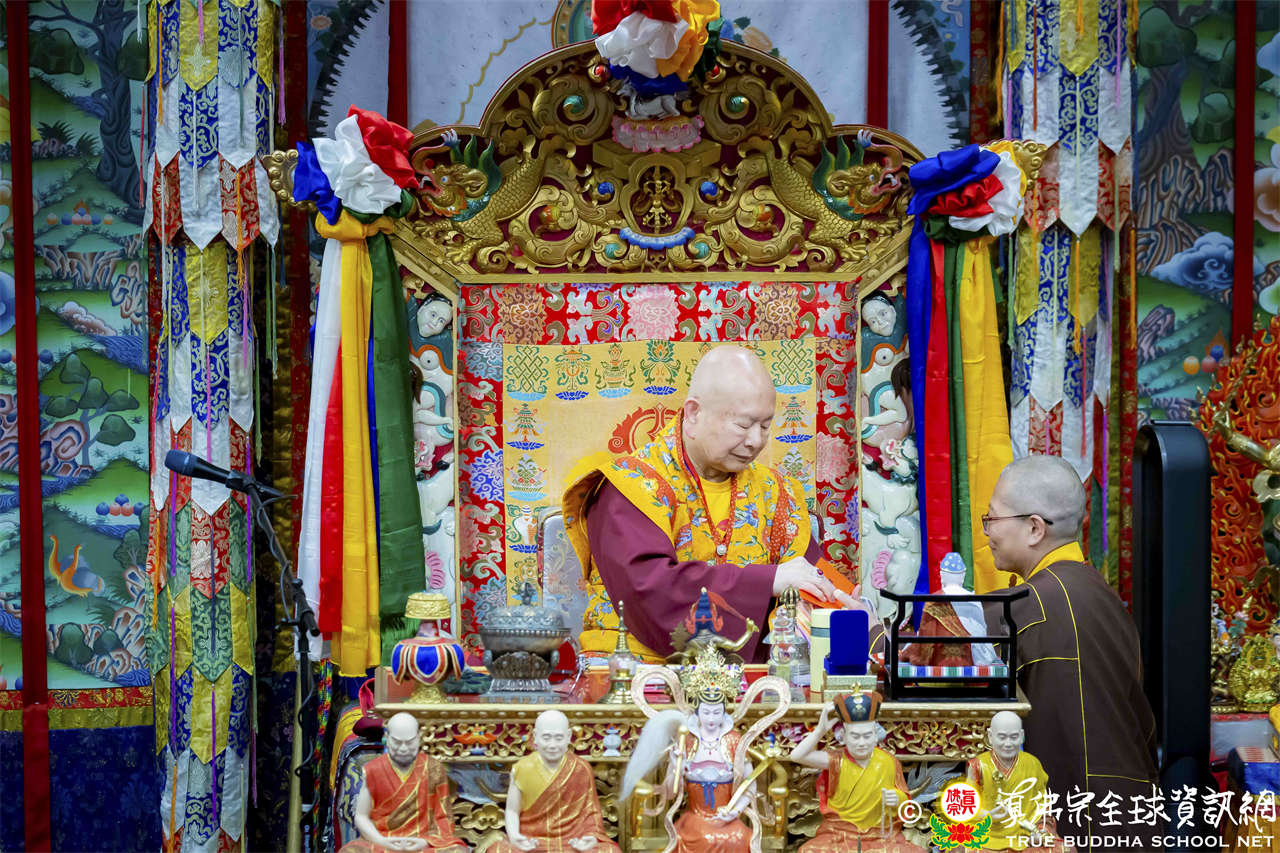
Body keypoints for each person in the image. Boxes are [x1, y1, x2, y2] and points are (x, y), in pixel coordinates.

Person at [563, 346, 852, 662]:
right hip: (633, 669)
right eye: (743, 425)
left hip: (746, 676)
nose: (756, 441)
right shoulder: (631, 487)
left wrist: (855, 615)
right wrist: (767, 581)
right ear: (693, 413)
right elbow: (649, 593)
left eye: (765, 426)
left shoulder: (774, 492)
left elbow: (812, 579)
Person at [982, 455, 1158, 849]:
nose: (988, 530)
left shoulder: (1033, 603)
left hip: (1075, 825)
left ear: (1034, 528)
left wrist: (869, 630)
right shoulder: (1102, 595)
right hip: (1130, 814)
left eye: (992, 518)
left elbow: (935, 650)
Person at [789, 692, 921, 852]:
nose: (861, 743)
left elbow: (905, 803)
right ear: (844, 737)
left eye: (867, 736)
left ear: (875, 736)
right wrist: (820, 730)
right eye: (855, 736)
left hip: (880, 834)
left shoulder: (888, 762)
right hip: (840, 832)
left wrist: (898, 798)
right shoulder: (837, 760)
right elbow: (797, 756)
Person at [493, 710, 619, 853]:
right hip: (533, 841)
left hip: (572, 842)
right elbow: (512, 810)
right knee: (498, 850)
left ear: (569, 736)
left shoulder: (581, 768)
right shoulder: (522, 768)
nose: (552, 745)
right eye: (546, 738)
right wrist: (515, 837)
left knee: (610, 850)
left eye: (559, 738)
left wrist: (590, 838)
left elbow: (591, 814)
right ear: (535, 736)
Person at [343, 712, 467, 852]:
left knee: (457, 851)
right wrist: (381, 840)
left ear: (419, 738)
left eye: (409, 742)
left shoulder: (433, 768)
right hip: (383, 840)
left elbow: (442, 817)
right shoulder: (373, 769)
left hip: (422, 841)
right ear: (387, 738)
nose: (403, 748)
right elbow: (361, 816)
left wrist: (425, 842)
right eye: (397, 742)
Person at [965, 711, 1069, 852]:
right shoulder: (978, 765)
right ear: (990, 736)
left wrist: (1040, 831)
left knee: (1063, 849)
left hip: (1024, 834)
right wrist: (987, 815)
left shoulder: (1032, 764)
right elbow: (966, 807)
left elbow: (1043, 809)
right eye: (1002, 737)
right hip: (986, 833)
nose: (1008, 744)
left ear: (1021, 736)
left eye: (1013, 737)